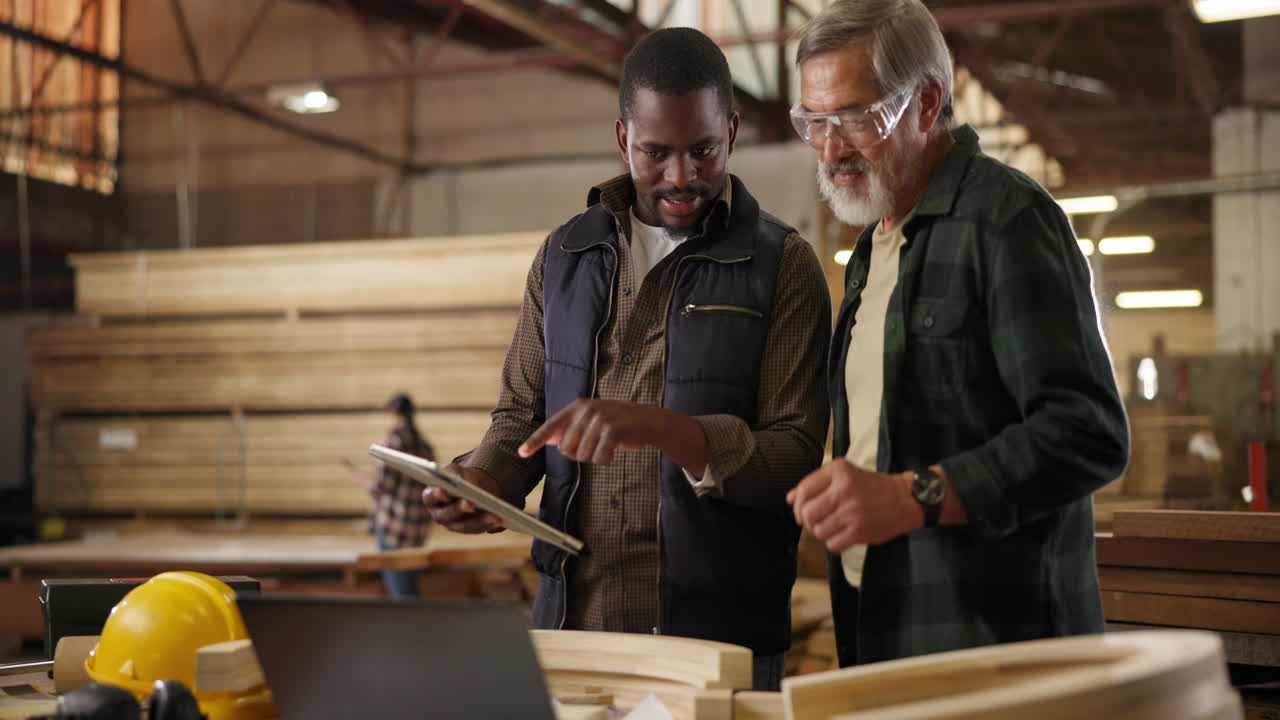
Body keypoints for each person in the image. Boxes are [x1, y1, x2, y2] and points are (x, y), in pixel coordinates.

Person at [423, 28, 831, 691]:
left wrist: (660, 428)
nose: (681, 176)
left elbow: (795, 455)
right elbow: (520, 416)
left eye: (702, 150)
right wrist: (485, 483)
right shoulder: (564, 258)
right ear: (622, 139)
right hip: (576, 632)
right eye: (655, 153)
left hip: (719, 645)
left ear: (731, 129)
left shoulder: (780, 266)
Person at [785, 0, 1130, 666]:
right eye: (815, 121)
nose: (830, 149)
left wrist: (912, 496)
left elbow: (1087, 430)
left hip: (992, 645)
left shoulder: (1007, 220)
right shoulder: (870, 250)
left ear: (925, 103)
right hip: (885, 626)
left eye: (856, 116)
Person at [352, 392, 437, 598]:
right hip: (417, 529)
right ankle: (418, 628)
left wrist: (366, 481)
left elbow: (383, 486)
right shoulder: (425, 447)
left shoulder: (391, 445)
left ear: (393, 414)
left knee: (401, 593)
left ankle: (415, 629)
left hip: (394, 528)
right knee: (411, 588)